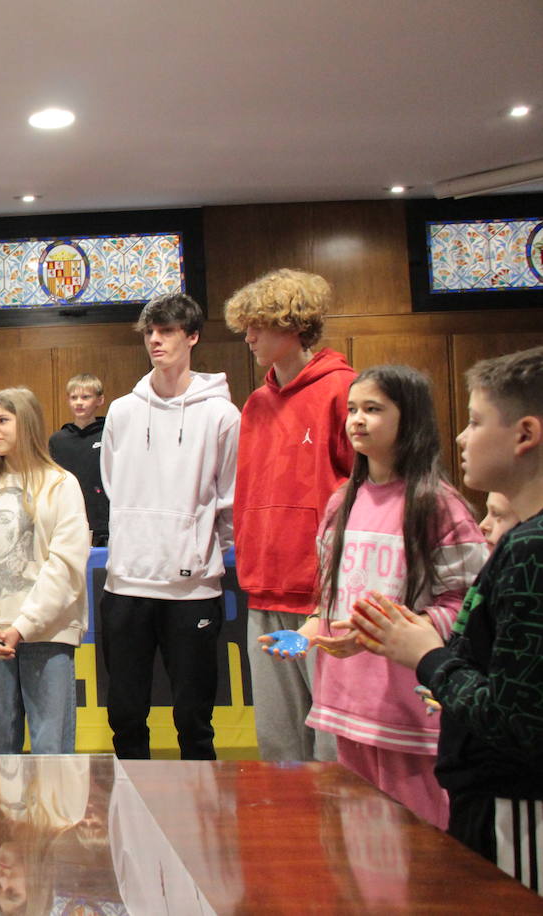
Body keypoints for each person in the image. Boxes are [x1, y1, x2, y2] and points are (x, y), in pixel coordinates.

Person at [349, 347, 543, 889]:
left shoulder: (531, 551)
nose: (461, 435)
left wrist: (429, 656)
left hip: (517, 801)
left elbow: (514, 719)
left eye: (477, 421)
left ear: (525, 434)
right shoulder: (520, 543)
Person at [261, 365, 487, 829]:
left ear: (411, 419)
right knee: (358, 854)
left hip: (410, 711)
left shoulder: (439, 504)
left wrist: (381, 634)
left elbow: (467, 604)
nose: (357, 420)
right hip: (348, 704)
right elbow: (332, 598)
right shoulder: (342, 501)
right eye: (352, 410)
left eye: (373, 409)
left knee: (420, 853)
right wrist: (309, 633)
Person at [98, 292, 240, 760]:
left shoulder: (222, 415)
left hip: (192, 590)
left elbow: (229, 501)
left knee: (194, 720)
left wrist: (195, 552)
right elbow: (114, 488)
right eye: (149, 332)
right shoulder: (121, 410)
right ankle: (131, 822)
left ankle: (199, 826)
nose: (155, 341)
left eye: (167, 331)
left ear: (193, 336)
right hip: (126, 583)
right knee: (125, 715)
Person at [224, 268, 356, 762]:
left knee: (330, 745)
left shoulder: (344, 391)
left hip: (323, 597)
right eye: (246, 327)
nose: (249, 337)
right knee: (278, 744)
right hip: (264, 591)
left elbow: (363, 497)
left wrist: (334, 590)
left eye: (260, 325)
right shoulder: (255, 405)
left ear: (294, 325)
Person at [0, 387, 89, 754]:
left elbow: (66, 565)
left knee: (51, 749)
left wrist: (24, 626)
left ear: (26, 423)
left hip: (47, 633)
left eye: (2, 421)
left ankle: (51, 815)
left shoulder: (61, 485)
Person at [48, 373, 110, 546]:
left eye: (86, 397)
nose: (79, 402)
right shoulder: (58, 440)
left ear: (100, 400)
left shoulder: (109, 435)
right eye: (74, 397)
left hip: (103, 524)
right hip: (68, 522)